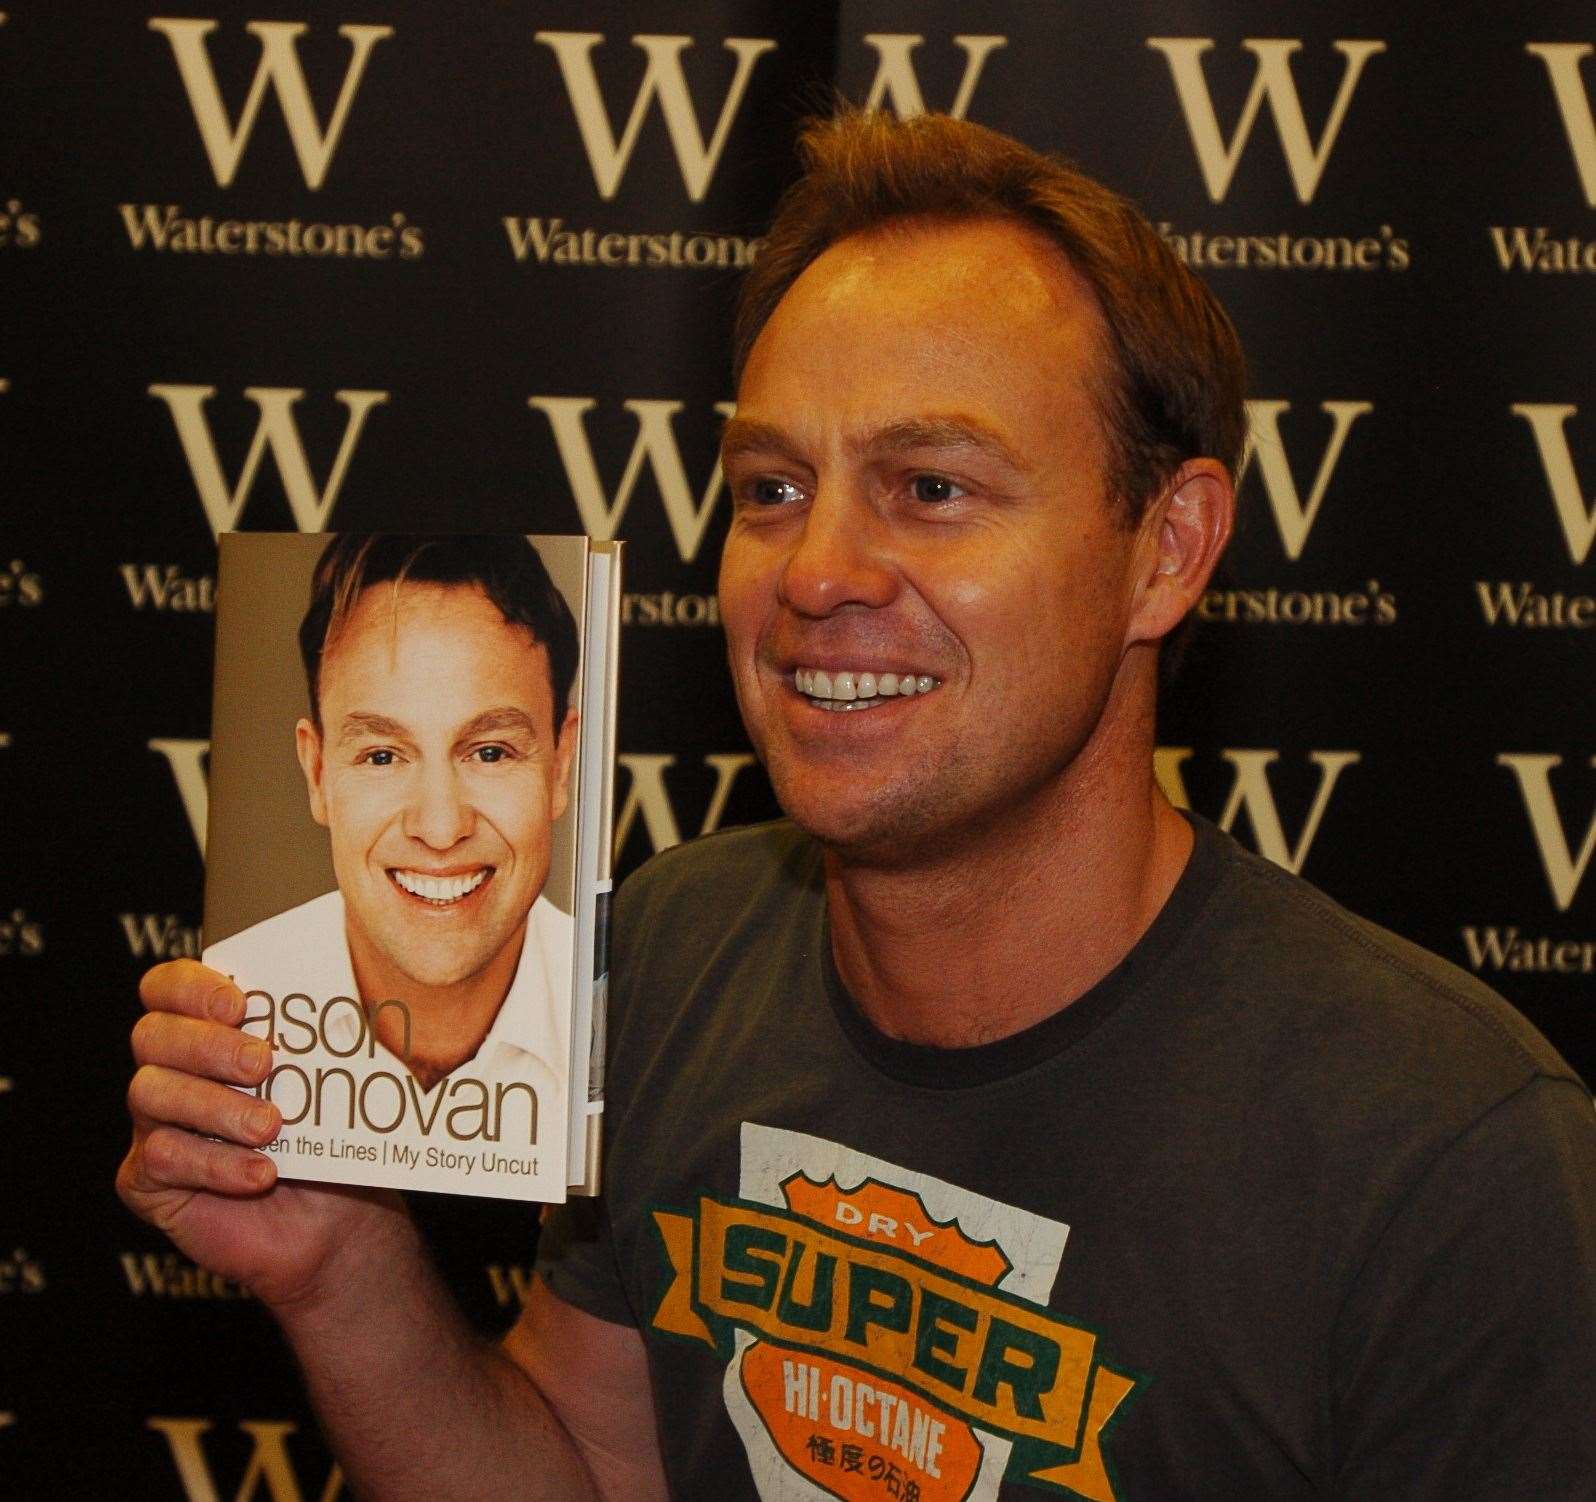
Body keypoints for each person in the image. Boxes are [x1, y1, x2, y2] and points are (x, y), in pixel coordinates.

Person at [118, 112, 1594, 1501]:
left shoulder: (1449, 1161)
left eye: (931, 486)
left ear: (1168, 546)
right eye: (769, 486)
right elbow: (584, 1465)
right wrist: (342, 1271)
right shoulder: (671, 948)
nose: (814, 570)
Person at [209, 533, 579, 1112]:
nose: (439, 828)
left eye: (490, 753)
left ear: (561, 766)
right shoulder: (229, 1011)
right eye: (382, 756)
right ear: (317, 774)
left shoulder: (637, 1031)